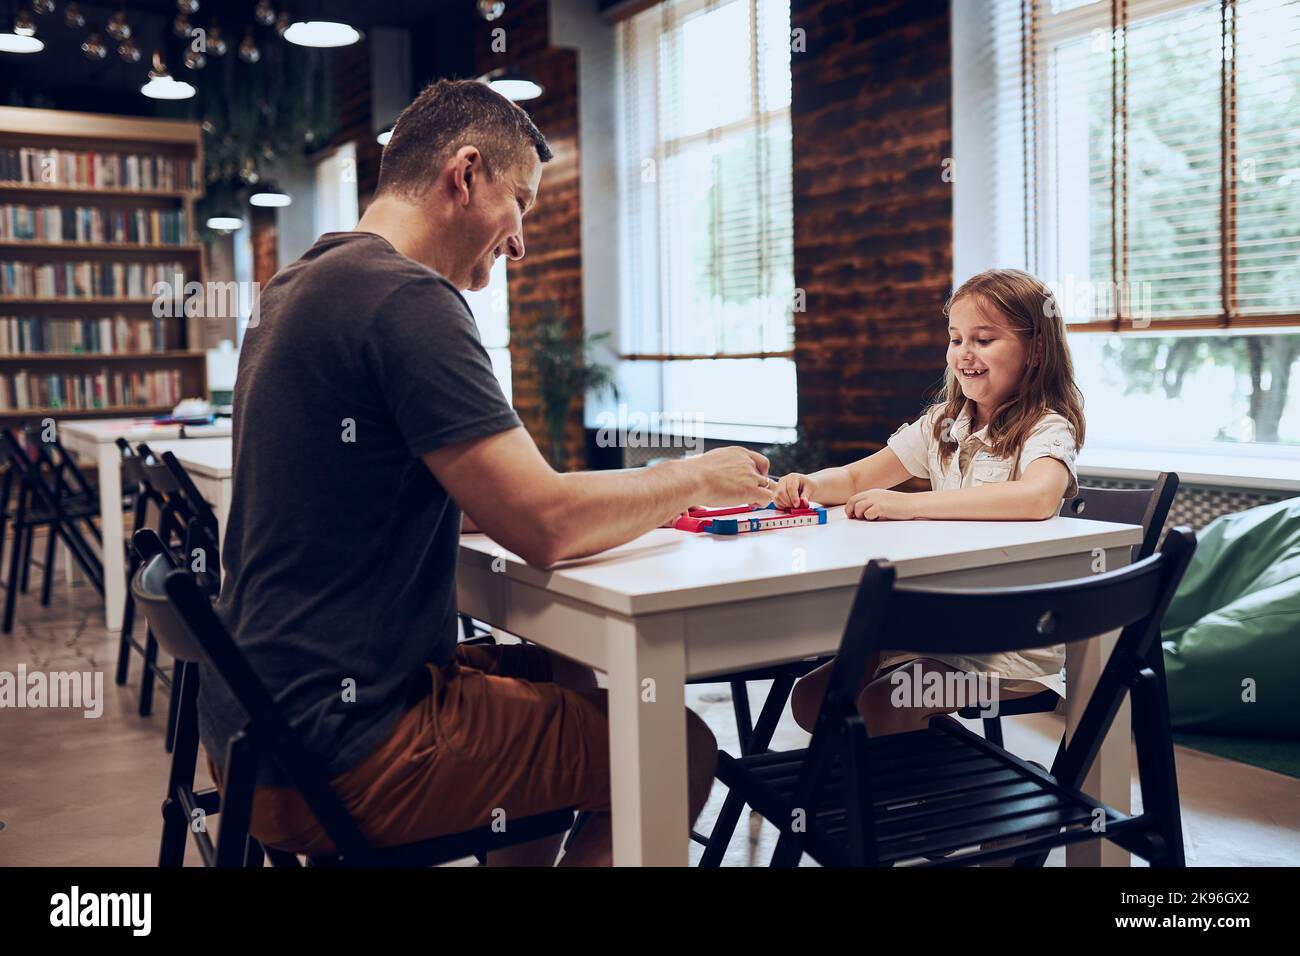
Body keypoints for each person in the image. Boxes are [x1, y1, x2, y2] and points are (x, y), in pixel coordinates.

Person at [199, 79, 777, 866]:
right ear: (465, 175)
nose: (520, 242)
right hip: (344, 746)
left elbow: (407, 494)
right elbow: (546, 525)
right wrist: (695, 478)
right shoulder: (406, 299)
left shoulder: (296, 286)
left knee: (573, 682)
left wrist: (569, 499)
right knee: (675, 743)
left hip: (256, 731)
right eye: (523, 206)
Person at [775, 268, 1086, 737]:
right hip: (932, 625)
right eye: (956, 338)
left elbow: (1038, 496)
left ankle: (904, 801)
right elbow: (858, 475)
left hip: (1008, 647)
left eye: (983, 339)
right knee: (812, 699)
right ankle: (882, 787)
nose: (965, 353)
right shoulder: (942, 424)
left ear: (1035, 349)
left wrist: (912, 505)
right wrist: (809, 485)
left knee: (887, 702)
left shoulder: (1047, 427)